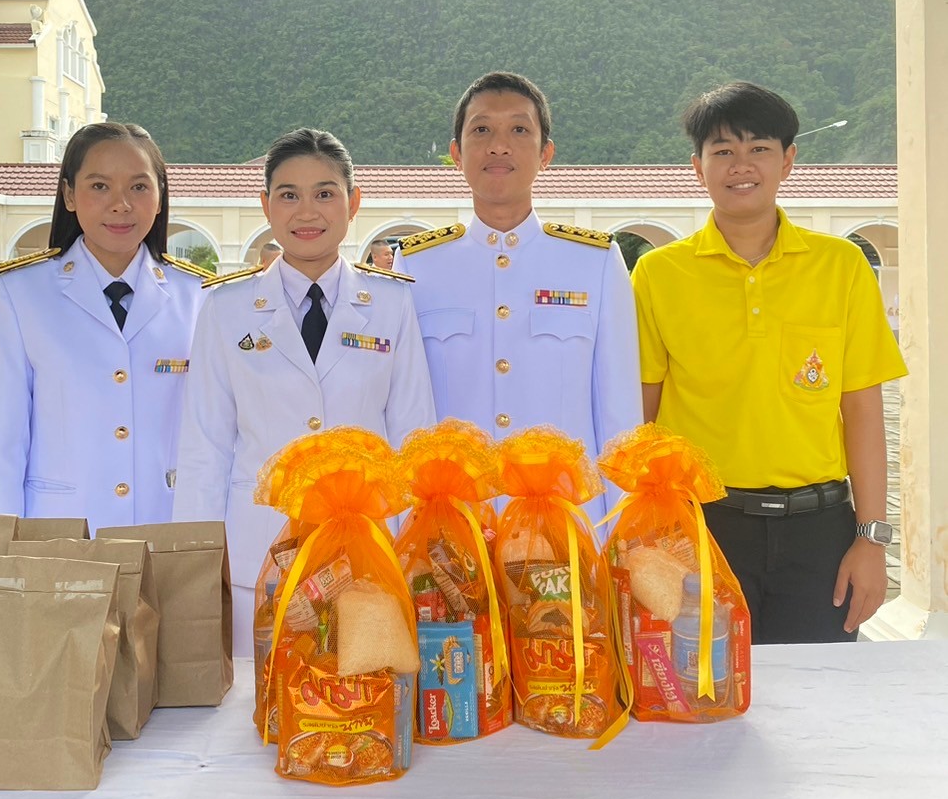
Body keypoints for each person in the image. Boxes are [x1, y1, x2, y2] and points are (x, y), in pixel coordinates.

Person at [631, 81, 907, 643]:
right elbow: (642, 419)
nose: (741, 165)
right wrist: (645, 534)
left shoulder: (841, 266)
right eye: (722, 151)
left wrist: (872, 539)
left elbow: (862, 412)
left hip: (819, 530)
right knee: (699, 700)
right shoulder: (659, 275)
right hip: (701, 528)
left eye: (758, 148)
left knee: (818, 702)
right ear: (697, 166)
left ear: (788, 160)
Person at [174, 127, 436, 648]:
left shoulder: (390, 304)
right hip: (259, 554)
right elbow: (204, 446)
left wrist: (414, 551)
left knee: (363, 702)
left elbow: (413, 435)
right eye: (289, 195)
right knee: (263, 709)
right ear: (266, 206)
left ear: (353, 202)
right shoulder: (226, 309)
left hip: (368, 550)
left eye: (325, 193)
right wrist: (197, 568)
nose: (307, 211)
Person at [395, 71, 641, 514]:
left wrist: (619, 533)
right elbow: (404, 415)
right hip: (454, 527)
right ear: (456, 153)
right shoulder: (416, 264)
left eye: (519, 130)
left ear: (546, 153)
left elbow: (620, 415)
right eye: (482, 129)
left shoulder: (596, 260)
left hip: (568, 527)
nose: (499, 145)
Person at [0, 121, 210, 529]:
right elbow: (4, 442)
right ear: (69, 194)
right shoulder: (22, 292)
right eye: (99, 186)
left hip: (168, 526)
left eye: (139, 187)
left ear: (159, 198)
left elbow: (213, 434)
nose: (121, 204)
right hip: (59, 532)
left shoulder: (199, 295)